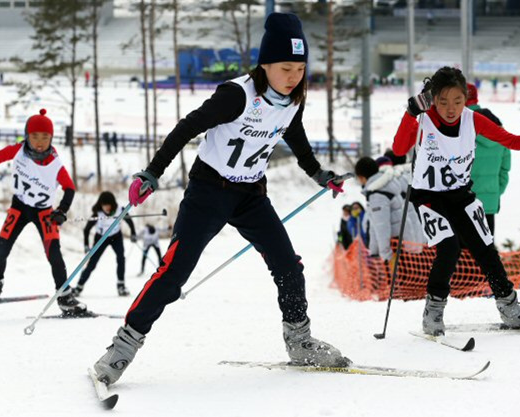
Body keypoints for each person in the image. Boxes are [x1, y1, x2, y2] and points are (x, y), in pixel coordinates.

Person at [92, 12, 351, 386]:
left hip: (250, 194)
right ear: (265, 64)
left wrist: (319, 174)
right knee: (173, 274)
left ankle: (299, 341)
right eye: (286, 68)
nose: (294, 76)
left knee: (289, 267)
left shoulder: (294, 99)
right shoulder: (237, 95)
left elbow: (295, 137)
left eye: (300, 68)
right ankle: (121, 350)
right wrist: (153, 172)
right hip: (209, 191)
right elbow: (186, 128)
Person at [392, 66, 520, 336]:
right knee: (449, 247)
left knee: (485, 247)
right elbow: (399, 150)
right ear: (433, 98)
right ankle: (433, 312)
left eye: (457, 101)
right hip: (429, 197)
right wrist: (410, 113)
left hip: (460, 194)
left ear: (465, 100)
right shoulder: (424, 120)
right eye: (443, 101)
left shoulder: (473, 119)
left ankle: (509, 307)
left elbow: (509, 140)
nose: (450, 108)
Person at [0, 109, 87, 314]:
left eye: (45, 137)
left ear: (51, 138)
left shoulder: (55, 163)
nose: (39, 141)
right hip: (19, 207)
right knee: (1, 248)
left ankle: (65, 295)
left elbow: (69, 188)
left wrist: (62, 210)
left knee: (54, 254)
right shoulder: (19, 150)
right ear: (27, 135)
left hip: (44, 213)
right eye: (34, 136)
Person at [355, 157, 423, 267]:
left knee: (398, 282)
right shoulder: (386, 185)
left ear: (362, 177)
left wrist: (385, 254)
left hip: (395, 247)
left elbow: (382, 227)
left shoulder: (377, 194)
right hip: (404, 242)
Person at [73, 191, 137, 297]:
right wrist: (86, 245)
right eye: (104, 205)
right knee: (92, 263)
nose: (106, 208)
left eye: (108, 205)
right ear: (100, 205)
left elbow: (129, 221)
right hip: (101, 238)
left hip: (116, 237)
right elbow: (86, 229)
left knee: (121, 259)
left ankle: (121, 286)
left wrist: (133, 233)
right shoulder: (97, 213)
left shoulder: (120, 210)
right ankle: (79, 287)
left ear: (112, 204)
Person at [467, 83, 510, 234]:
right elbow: (505, 169)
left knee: (459, 254)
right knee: (485, 254)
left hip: (461, 203)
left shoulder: (459, 126)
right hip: (488, 204)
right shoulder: (499, 130)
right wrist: (495, 192)